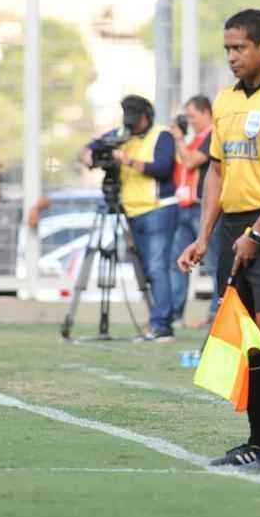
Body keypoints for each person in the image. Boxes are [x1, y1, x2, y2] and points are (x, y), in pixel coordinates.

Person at [176, 8, 260, 474]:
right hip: (233, 229)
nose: (232, 56)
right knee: (248, 334)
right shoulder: (225, 99)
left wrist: (257, 233)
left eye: (239, 48)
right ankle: (258, 441)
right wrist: (203, 236)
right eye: (227, 49)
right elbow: (216, 171)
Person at [85, 95, 179, 341]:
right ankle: (157, 320)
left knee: (157, 268)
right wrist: (89, 153)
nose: (132, 125)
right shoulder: (121, 135)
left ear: (147, 116)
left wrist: (126, 160)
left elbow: (163, 168)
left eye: (136, 120)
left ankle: (162, 325)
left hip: (158, 209)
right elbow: (94, 146)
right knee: (147, 269)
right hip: (132, 211)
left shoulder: (162, 135)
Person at [168, 95, 213, 327]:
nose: (190, 122)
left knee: (212, 262)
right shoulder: (194, 139)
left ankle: (216, 314)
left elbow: (191, 162)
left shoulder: (213, 135)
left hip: (202, 208)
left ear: (206, 112)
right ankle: (175, 314)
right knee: (178, 261)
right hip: (184, 207)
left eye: (192, 116)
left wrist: (178, 138)